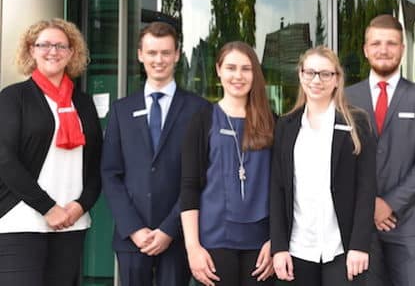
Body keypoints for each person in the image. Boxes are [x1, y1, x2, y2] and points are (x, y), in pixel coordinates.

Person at [101, 22, 210, 286]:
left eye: (165, 52)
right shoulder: (121, 110)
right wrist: (135, 229)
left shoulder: (200, 109)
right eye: (151, 53)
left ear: (176, 54)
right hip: (131, 236)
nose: (158, 60)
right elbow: (110, 173)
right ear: (140, 55)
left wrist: (169, 229)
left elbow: (202, 174)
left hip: (178, 234)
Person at [0, 18, 102, 285]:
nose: (52, 51)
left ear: (71, 53)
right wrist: (48, 208)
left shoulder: (84, 103)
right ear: (31, 50)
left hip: (72, 223)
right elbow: (4, 160)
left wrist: (80, 206)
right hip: (21, 220)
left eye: (61, 46)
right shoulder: (13, 97)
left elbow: (96, 164)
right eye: (43, 44)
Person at [346, 14, 415, 286]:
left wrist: (389, 204)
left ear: (402, 48)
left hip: (411, 224)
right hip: (360, 226)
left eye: (391, 43)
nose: (383, 49)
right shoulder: (346, 97)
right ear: (365, 50)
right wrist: (368, 204)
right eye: (376, 43)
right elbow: (339, 160)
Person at [270, 45, 377, 286]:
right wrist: (278, 247)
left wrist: (359, 245)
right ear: (301, 75)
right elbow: (277, 189)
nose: (317, 80)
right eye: (310, 72)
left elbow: (366, 188)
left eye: (326, 74)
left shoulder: (357, 122)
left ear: (337, 79)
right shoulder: (286, 126)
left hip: (341, 248)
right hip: (298, 248)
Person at [180, 41, 275, 286]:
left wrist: (277, 241)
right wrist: (193, 248)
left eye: (246, 69)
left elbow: (283, 187)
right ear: (218, 70)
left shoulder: (273, 122)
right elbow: (189, 187)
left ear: (255, 73)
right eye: (231, 68)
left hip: (262, 244)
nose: (238, 76)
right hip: (215, 242)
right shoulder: (202, 120)